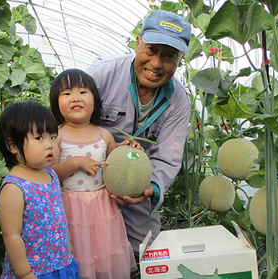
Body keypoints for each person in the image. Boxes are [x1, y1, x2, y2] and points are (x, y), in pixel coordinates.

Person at [84, 10, 192, 263]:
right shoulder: (102, 74)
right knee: (85, 247)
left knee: (151, 252)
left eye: (169, 56)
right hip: (87, 179)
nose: (156, 63)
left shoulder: (178, 100)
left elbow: (168, 157)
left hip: (136, 187)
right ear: (137, 42)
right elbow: (67, 128)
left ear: (179, 60)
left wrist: (149, 189)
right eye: (151, 50)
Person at [49, 69, 138, 279]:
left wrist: (129, 151)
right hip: (70, 209)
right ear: (56, 103)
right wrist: (76, 162)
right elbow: (50, 172)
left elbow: (115, 166)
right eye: (67, 93)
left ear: (95, 101)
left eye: (82, 92)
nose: (76, 98)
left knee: (103, 258)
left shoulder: (103, 134)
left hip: (102, 208)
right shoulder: (56, 135)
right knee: (78, 258)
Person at [0, 102, 80, 279]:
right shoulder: (14, 187)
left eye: (52, 137)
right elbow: (11, 235)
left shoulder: (51, 174)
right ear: (12, 146)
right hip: (36, 271)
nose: (50, 145)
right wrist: (25, 273)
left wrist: (69, 246)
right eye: (39, 138)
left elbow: (59, 217)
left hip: (62, 263)